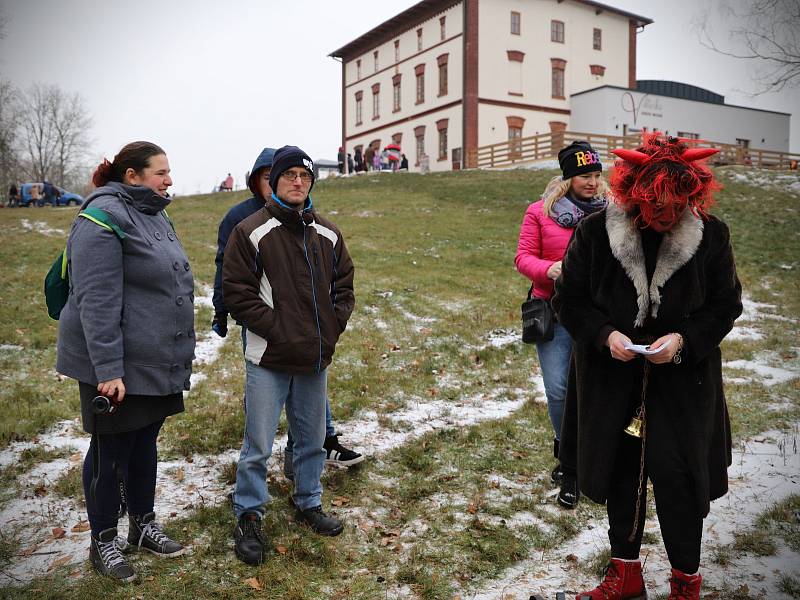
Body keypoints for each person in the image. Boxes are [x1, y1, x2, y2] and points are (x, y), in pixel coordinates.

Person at [552, 134, 742, 599]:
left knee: (679, 478)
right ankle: (626, 574)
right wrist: (604, 335)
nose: (665, 213)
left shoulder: (711, 235)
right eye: (656, 203)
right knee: (621, 475)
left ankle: (685, 582)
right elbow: (568, 299)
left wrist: (684, 341)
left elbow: (725, 305)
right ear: (636, 193)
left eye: (676, 204)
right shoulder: (596, 232)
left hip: (683, 384)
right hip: (612, 380)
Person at [56, 141, 193, 582]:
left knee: (143, 444)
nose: (169, 180)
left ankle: (142, 524)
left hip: (152, 360)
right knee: (110, 452)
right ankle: (103, 540)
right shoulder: (101, 218)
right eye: (160, 172)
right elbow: (96, 301)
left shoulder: (154, 213)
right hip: (114, 364)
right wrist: (108, 370)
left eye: (169, 172)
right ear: (131, 176)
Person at [223, 145, 356, 565]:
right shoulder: (250, 232)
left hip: (314, 359)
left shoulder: (328, 233)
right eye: (289, 175)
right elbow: (237, 294)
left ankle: (308, 501)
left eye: (305, 175)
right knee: (258, 444)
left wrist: (330, 328)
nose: (297, 182)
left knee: (312, 438)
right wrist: (280, 330)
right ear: (274, 181)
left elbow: (345, 287)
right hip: (269, 358)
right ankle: (249, 514)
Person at [515, 141, 608, 510]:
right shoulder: (540, 212)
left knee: (590, 389)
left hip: (595, 315)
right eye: (586, 175)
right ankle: (564, 445)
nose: (594, 182)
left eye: (598, 176)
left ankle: (578, 461)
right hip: (552, 310)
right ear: (569, 177)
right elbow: (523, 257)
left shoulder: (609, 213)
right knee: (558, 390)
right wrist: (547, 269)